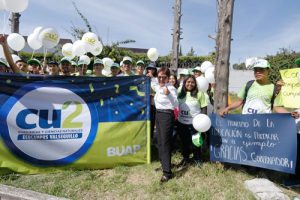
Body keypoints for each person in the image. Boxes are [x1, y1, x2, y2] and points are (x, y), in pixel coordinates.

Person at [219, 59, 299, 177]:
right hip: (247, 122)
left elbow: (277, 107)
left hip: (264, 124)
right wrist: (228, 108)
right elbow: (239, 101)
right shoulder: (248, 85)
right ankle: (245, 166)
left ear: (269, 71)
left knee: (262, 146)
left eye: (261, 70)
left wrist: (289, 114)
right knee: (247, 144)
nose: (258, 72)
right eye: (256, 70)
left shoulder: (275, 89)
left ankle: (261, 170)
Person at [152, 67, 178, 183]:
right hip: (158, 115)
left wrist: (169, 95)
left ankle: (167, 173)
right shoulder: (159, 87)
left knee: (166, 143)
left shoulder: (171, 89)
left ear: (168, 78)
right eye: (159, 77)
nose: (161, 79)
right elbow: (154, 83)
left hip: (167, 115)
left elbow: (176, 103)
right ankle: (163, 164)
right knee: (160, 142)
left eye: (164, 77)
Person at [177, 75, 208, 168]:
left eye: (192, 82)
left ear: (195, 84)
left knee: (196, 143)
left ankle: (197, 159)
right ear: (184, 83)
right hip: (182, 123)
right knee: (184, 142)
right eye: (188, 82)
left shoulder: (200, 94)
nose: (190, 84)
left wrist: (202, 120)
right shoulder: (179, 93)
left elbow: (204, 107)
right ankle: (185, 158)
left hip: (195, 125)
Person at [146, 63, 158, 140]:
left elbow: (158, 89)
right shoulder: (144, 78)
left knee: (152, 120)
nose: (151, 70)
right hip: (145, 103)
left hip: (153, 103)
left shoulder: (156, 79)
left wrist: (152, 78)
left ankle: (151, 137)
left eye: (153, 69)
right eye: (149, 68)